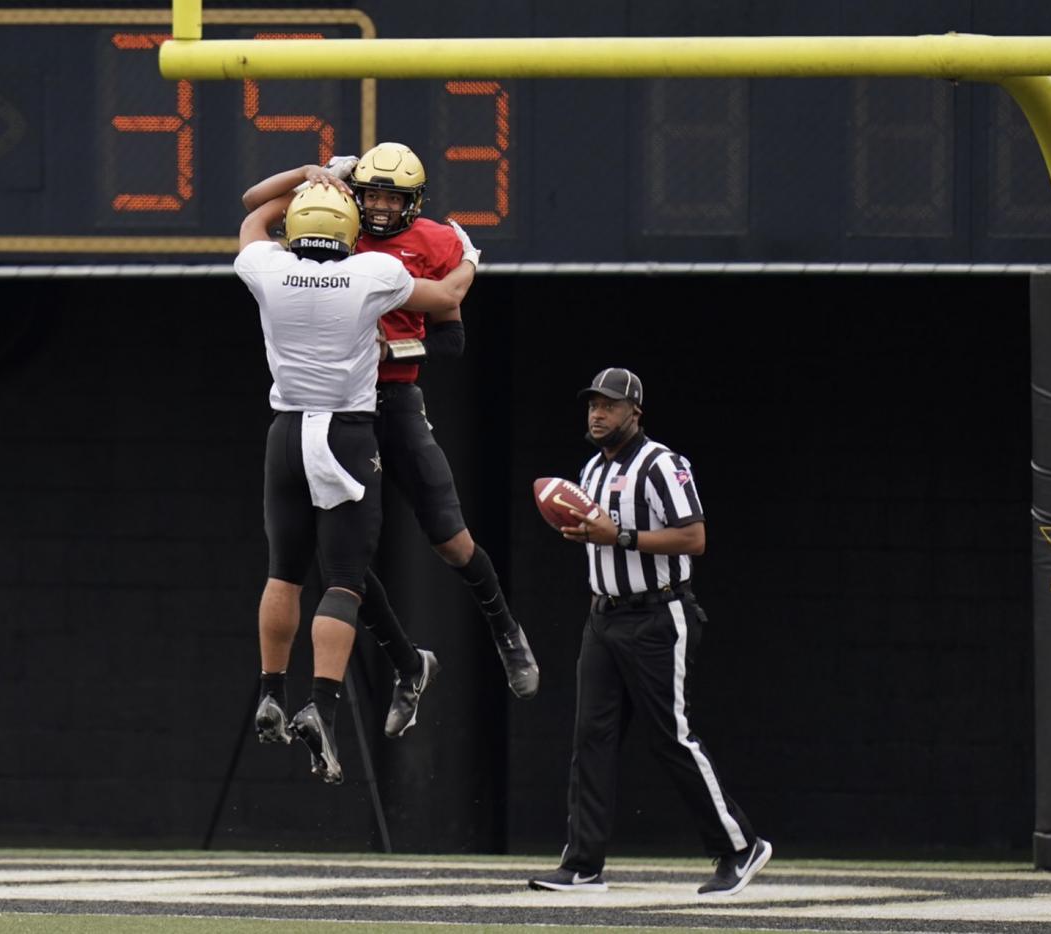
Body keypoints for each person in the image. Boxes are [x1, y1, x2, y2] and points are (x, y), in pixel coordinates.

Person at [242, 143, 539, 740]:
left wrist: (392, 349)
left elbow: (451, 340)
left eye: (391, 198)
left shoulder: (422, 245)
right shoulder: (333, 221)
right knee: (341, 567)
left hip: (391, 400)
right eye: (370, 193)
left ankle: (505, 628)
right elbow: (258, 206)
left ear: (414, 204)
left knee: (450, 540)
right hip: (341, 416)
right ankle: (409, 665)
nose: (377, 207)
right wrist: (315, 175)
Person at [237, 180, 473, 783]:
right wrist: (468, 255)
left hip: (284, 433)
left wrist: (305, 177)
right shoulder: (371, 272)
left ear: (295, 228)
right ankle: (322, 704)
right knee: (343, 580)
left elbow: (252, 215)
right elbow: (446, 297)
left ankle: (269, 689)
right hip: (345, 434)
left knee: (283, 570)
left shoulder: (268, 267)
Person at [527, 367, 772, 896]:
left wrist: (623, 536)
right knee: (589, 739)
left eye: (609, 406)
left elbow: (695, 538)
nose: (597, 414)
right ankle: (583, 863)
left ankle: (739, 846)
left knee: (671, 738)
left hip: (658, 615)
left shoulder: (664, 464)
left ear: (635, 412)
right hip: (604, 616)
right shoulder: (590, 469)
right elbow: (601, 537)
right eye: (592, 404)